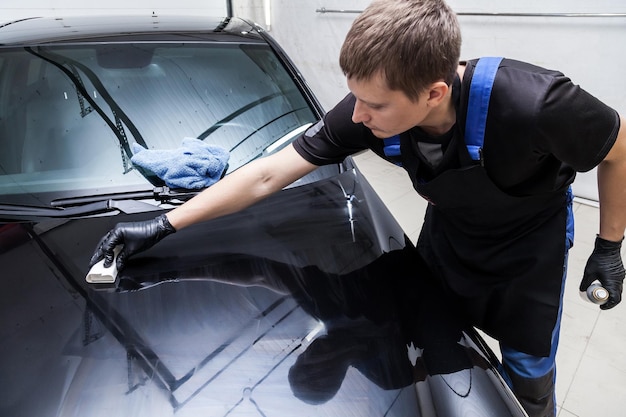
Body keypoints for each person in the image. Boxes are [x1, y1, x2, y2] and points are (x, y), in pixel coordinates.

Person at [89, 0, 626, 415]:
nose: (358, 115)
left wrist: (609, 246)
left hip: (527, 256)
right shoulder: (365, 113)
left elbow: (618, 150)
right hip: (450, 240)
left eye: (375, 104)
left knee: (529, 373)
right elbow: (271, 173)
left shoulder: (538, 103)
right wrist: (163, 224)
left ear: (434, 92)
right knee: (442, 341)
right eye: (355, 97)